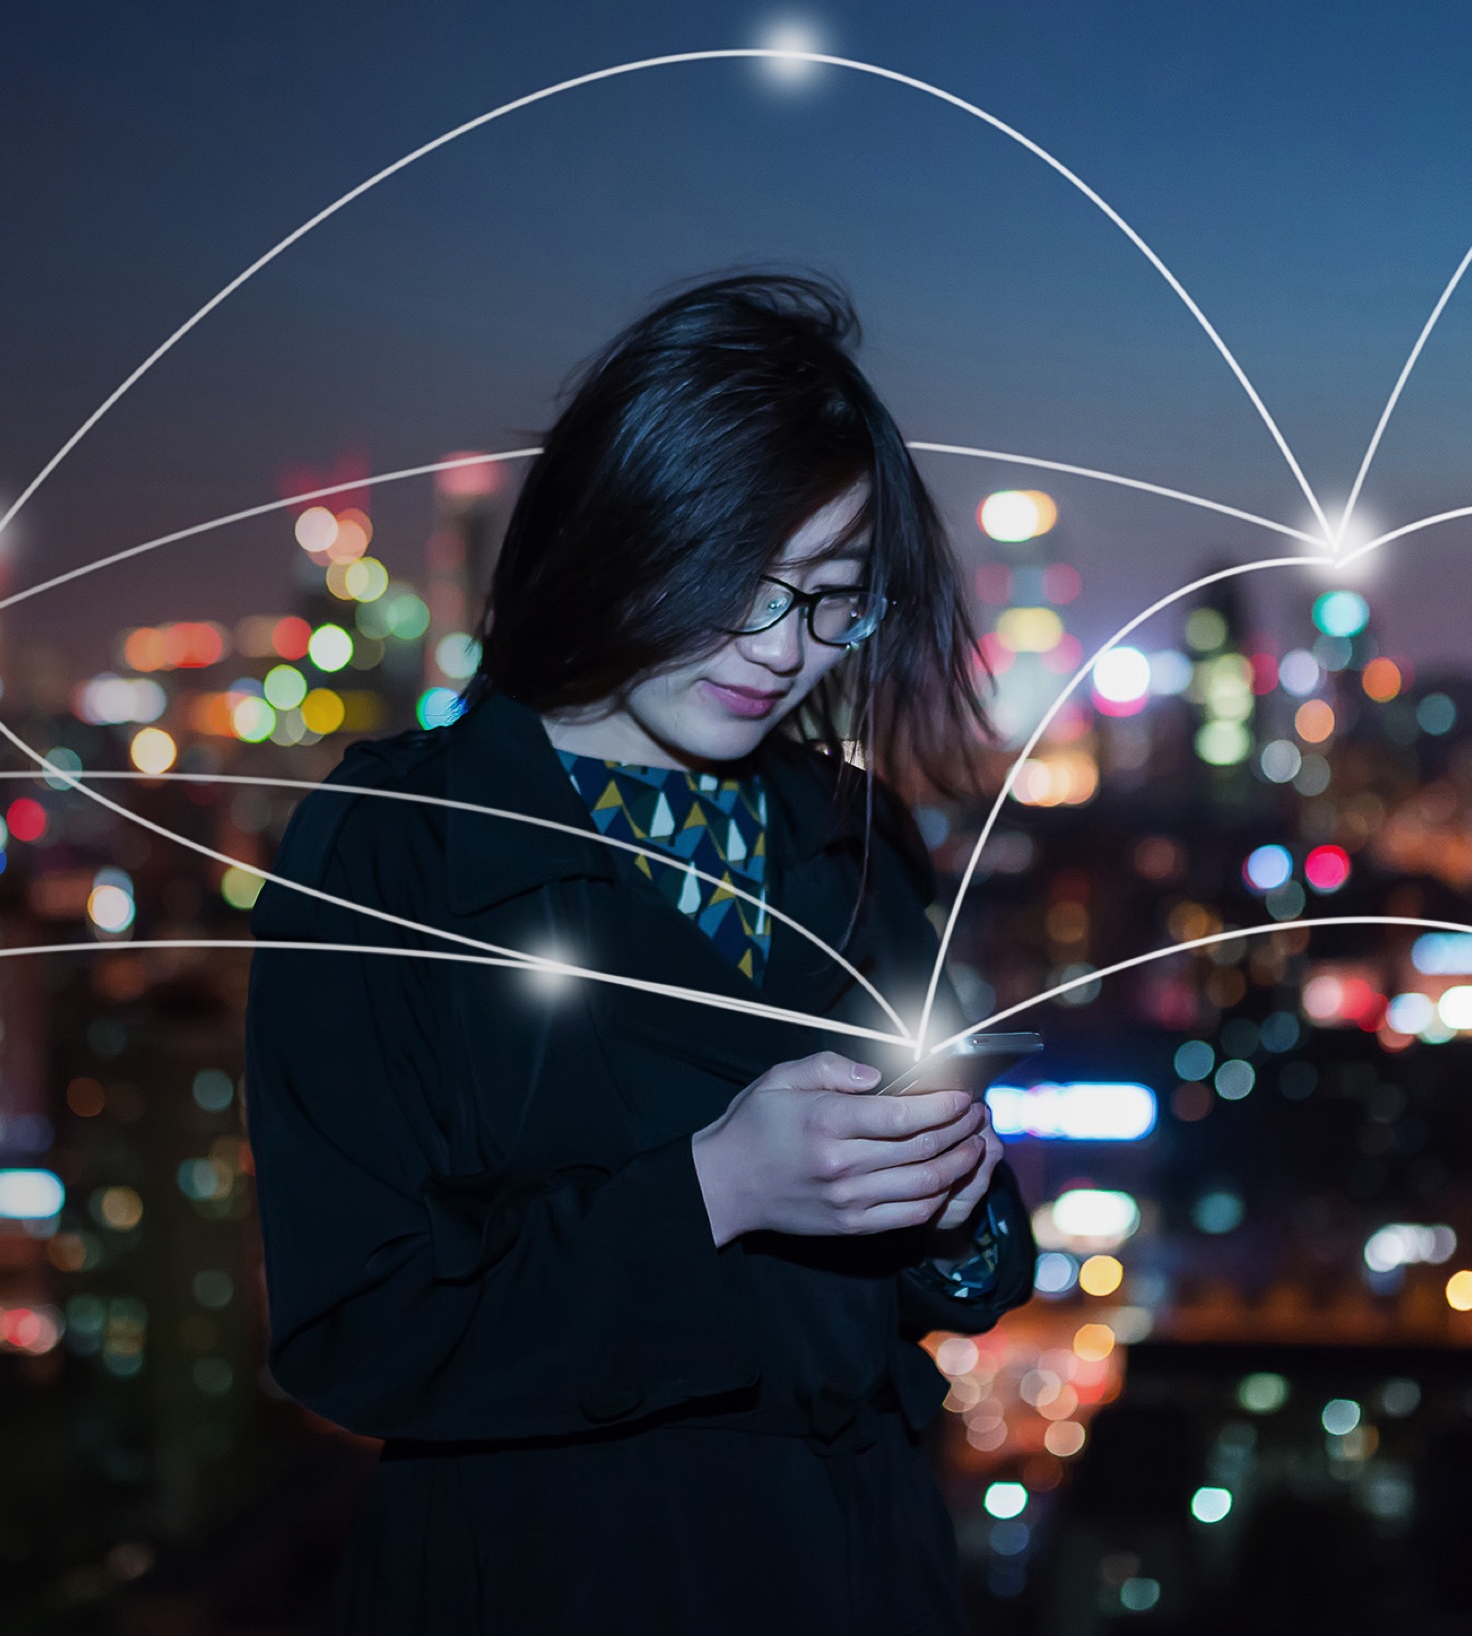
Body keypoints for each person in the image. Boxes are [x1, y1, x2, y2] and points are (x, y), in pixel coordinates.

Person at [245, 273, 1035, 1634]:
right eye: (735, 581)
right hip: (552, 1578)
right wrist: (713, 1189)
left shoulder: (847, 832)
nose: (777, 650)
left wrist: (957, 1199)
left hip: (862, 1567)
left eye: (832, 599)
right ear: (621, 533)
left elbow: (951, 1276)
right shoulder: (397, 851)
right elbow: (358, 1334)